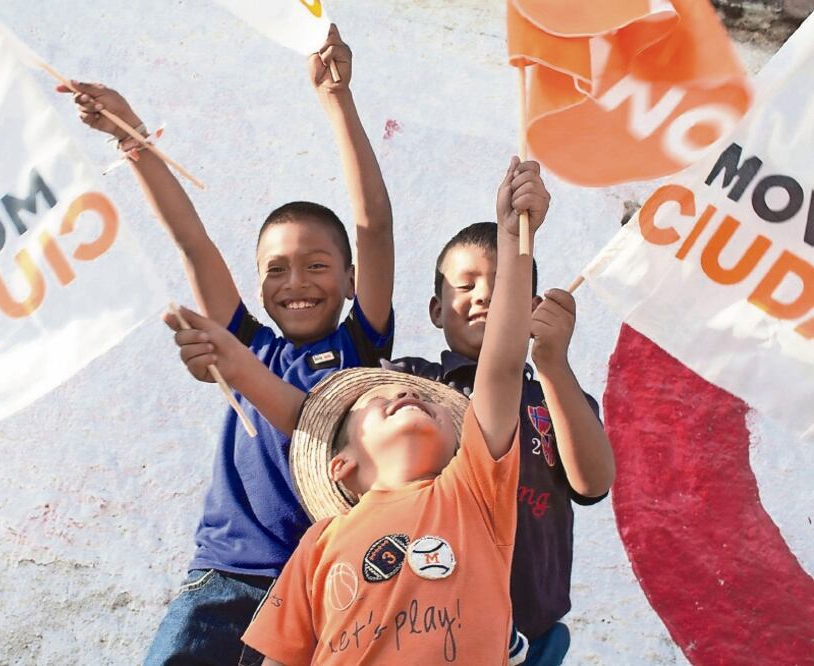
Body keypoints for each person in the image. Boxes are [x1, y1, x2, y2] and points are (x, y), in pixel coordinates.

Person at [60, 26, 395, 665]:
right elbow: (193, 240)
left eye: (317, 265)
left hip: (327, 589)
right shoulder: (244, 347)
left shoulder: (363, 346)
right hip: (224, 580)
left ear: (352, 280)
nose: (296, 283)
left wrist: (337, 100)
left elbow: (373, 225)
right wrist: (131, 137)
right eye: (276, 269)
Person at [227, 155, 544, 663]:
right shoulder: (319, 542)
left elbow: (502, 365)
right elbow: (280, 657)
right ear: (342, 464)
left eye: (428, 400)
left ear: (458, 445)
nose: (406, 393)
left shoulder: (474, 494)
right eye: (378, 402)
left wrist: (513, 240)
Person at [383, 162, 615, 665]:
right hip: (425, 626)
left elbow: (594, 484)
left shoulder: (552, 395)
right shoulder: (412, 384)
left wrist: (553, 365)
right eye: (465, 285)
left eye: (500, 283)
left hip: (532, 631)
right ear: (436, 310)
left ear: (530, 306)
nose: (485, 294)